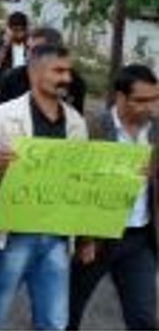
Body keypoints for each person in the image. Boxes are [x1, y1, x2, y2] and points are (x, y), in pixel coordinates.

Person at [0, 44, 88, 331]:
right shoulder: (4, 115)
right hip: (12, 236)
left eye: (68, 71)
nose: (66, 78)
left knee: (54, 322)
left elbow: (83, 179)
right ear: (34, 73)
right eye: (58, 71)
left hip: (56, 237)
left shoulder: (76, 124)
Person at [68, 64, 159, 330]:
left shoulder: (156, 130)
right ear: (120, 97)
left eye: (155, 98)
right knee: (69, 312)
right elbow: (76, 185)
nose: (149, 106)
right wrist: (85, 239)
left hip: (140, 238)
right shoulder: (92, 128)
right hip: (98, 237)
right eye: (141, 100)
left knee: (143, 317)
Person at [0, 27, 87, 113]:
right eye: (27, 49)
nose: (27, 55)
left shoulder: (74, 84)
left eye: (36, 50)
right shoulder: (12, 78)